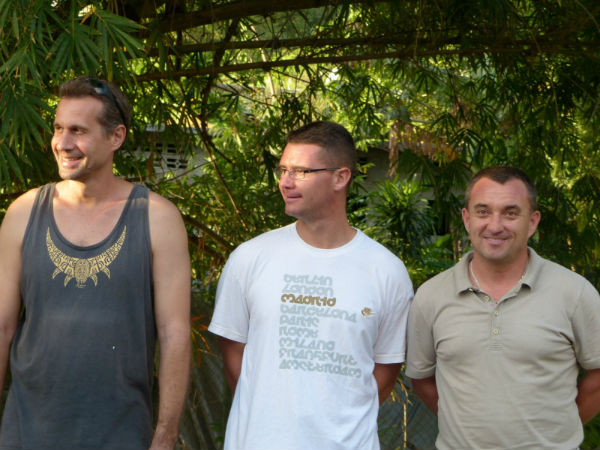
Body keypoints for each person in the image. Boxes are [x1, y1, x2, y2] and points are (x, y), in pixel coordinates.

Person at [0, 77, 191, 450]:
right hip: (28, 432)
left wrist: (165, 437)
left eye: (78, 130)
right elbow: (2, 326)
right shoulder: (24, 212)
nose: (63, 143)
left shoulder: (157, 218)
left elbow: (174, 335)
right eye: (58, 128)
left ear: (116, 137)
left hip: (121, 434)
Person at [208, 121, 413, 450]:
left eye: (301, 171)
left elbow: (384, 372)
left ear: (340, 177)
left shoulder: (386, 271)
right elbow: (235, 362)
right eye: (283, 169)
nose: (285, 182)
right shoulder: (249, 258)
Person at [406, 166, 600, 450]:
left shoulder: (575, 292)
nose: (495, 226)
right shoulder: (431, 296)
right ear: (466, 218)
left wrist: (558, 434)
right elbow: (421, 378)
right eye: (483, 211)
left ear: (532, 222)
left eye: (510, 213)